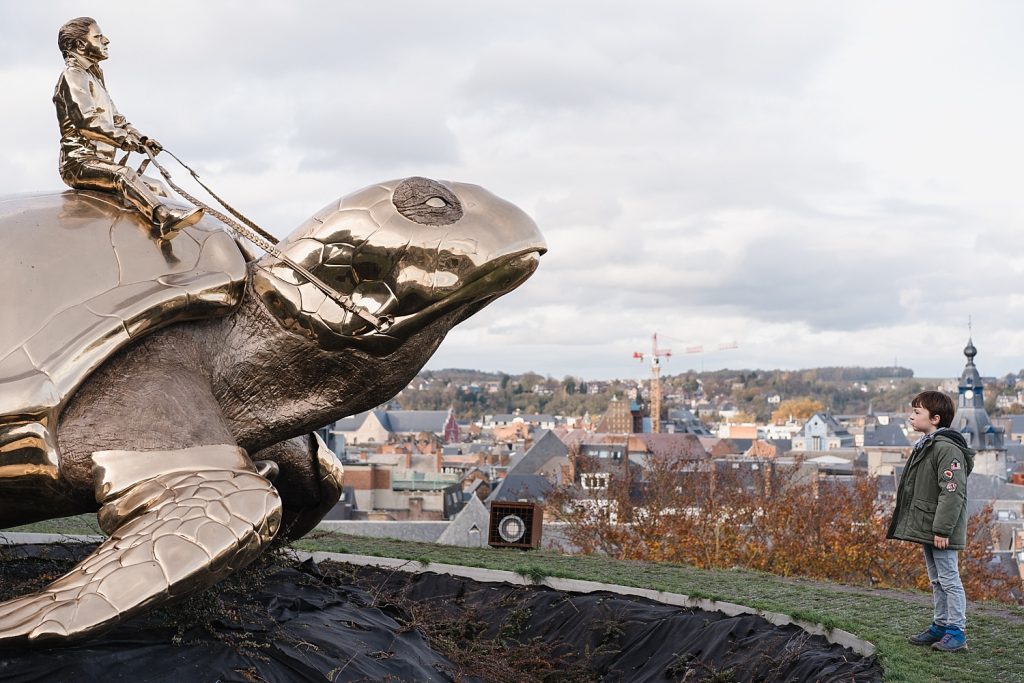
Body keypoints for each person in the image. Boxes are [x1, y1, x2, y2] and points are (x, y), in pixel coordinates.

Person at [53, 17, 202, 240]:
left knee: (158, 187)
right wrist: (127, 141)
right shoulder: (73, 75)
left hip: (103, 161)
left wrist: (142, 139)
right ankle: (164, 216)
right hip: (80, 163)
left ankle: (181, 230)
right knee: (123, 175)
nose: (106, 40)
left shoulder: (93, 76)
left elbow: (118, 120)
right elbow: (87, 122)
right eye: (98, 36)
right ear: (81, 45)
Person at [887, 390, 974, 653]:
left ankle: (956, 631)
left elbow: (952, 491)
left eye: (917, 412)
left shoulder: (946, 449)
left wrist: (942, 529)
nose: (911, 416)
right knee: (936, 579)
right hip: (930, 525)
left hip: (939, 529)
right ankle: (940, 624)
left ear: (935, 418)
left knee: (949, 579)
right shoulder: (929, 444)